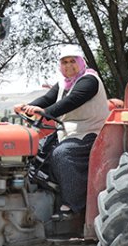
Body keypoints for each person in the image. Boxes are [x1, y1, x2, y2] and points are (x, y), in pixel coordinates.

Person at [13, 44, 110, 216]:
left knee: (63, 154)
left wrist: (46, 113)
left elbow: (72, 100)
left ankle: (75, 205)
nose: (68, 65)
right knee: (33, 150)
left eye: (73, 61)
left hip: (89, 133)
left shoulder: (89, 80)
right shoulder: (64, 83)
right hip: (66, 132)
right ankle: (38, 193)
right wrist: (28, 106)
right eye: (64, 62)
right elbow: (48, 98)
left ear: (81, 62)